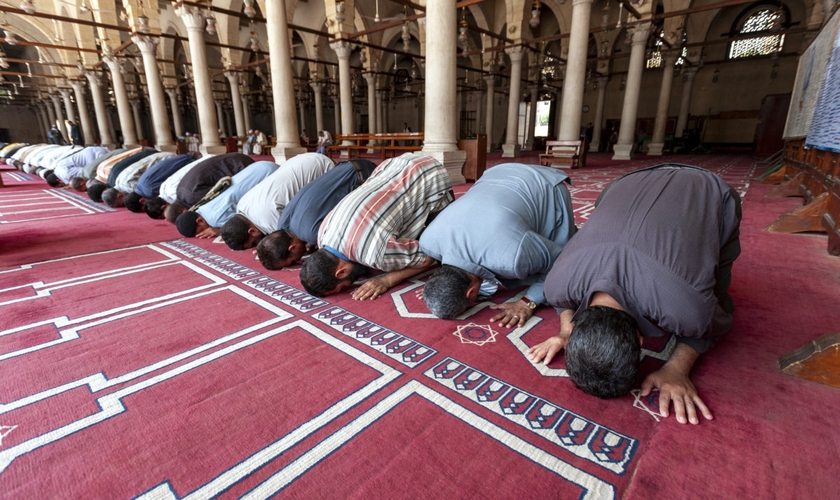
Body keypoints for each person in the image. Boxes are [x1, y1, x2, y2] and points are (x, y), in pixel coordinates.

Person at [527, 165, 742, 426]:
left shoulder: (686, 309)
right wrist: (563, 333)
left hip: (707, 188)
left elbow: (713, 322)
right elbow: (561, 302)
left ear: (640, 340)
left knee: (716, 281)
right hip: (624, 183)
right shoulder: (556, 283)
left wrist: (677, 368)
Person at [420, 163, 576, 327]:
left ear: (471, 292)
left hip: (545, 184)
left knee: (565, 253)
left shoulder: (512, 259)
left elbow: (564, 261)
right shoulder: (427, 241)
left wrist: (529, 301)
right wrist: (439, 288)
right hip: (496, 171)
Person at [299, 153, 453, 300]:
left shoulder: (373, 253)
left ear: (341, 272)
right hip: (395, 163)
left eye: (343, 287)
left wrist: (386, 280)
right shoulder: (322, 234)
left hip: (429, 172)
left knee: (448, 243)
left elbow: (428, 257)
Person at [256, 159, 377, 270]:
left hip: (366, 173)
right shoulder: (282, 223)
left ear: (293, 247)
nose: (298, 260)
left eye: (292, 261)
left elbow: (346, 239)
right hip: (348, 165)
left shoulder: (312, 235)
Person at [220, 152, 335, 250]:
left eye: (255, 243)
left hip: (324, 168)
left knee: (310, 231)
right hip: (303, 158)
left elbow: (295, 241)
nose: (258, 244)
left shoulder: (270, 222)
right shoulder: (241, 205)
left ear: (253, 231)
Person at [175, 160, 278, 239]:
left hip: (271, 175)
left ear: (200, 221)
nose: (204, 233)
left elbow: (243, 225)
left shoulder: (214, 219)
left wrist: (220, 231)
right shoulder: (202, 206)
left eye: (201, 231)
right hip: (262, 166)